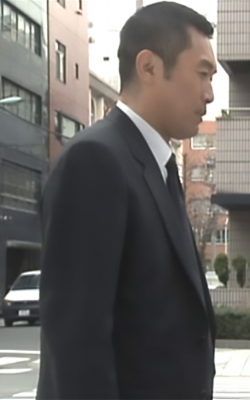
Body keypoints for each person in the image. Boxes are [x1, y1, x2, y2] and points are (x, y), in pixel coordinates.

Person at [36, 2, 217, 399]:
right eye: (202, 74)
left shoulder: (159, 165)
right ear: (148, 66)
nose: (209, 93)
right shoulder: (96, 160)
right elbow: (77, 342)